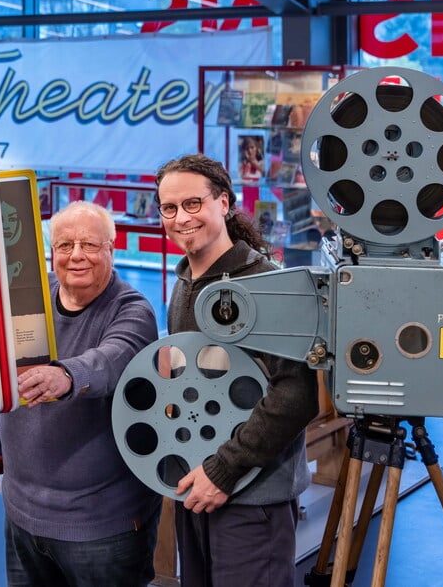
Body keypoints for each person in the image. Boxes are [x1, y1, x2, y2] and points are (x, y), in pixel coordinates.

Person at [154, 153, 320, 586]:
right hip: (198, 488)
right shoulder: (185, 281)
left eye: (193, 204)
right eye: (169, 208)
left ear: (224, 203)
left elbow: (297, 396)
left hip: (250, 500)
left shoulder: (270, 286)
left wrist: (223, 470)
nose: (180, 218)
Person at [0, 200, 162, 587]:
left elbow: (112, 359)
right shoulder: (30, 298)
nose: (76, 256)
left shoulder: (132, 310)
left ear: (111, 250)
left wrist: (66, 375)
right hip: (21, 515)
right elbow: (5, 366)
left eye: (90, 246)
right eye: (65, 246)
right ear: (52, 252)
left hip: (102, 528)